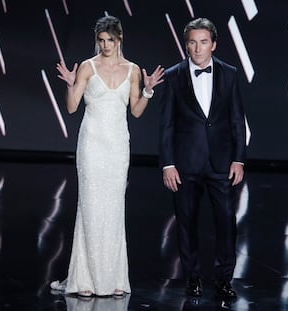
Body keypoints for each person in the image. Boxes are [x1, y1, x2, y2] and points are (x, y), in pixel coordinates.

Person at [50, 15, 164, 297]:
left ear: (119, 39)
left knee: (113, 209)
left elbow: (135, 111)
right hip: (91, 144)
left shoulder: (133, 70)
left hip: (117, 146)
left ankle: (113, 279)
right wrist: (69, 82)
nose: (105, 45)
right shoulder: (88, 67)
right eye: (100, 40)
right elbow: (72, 107)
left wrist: (148, 91)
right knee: (89, 206)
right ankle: (85, 280)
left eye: (109, 40)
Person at [159, 17, 246, 300]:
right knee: (187, 223)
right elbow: (167, 125)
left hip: (221, 162)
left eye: (204, 42)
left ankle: (223, 279)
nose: (198, 49)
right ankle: (192, 279)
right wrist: (168, 163)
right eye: (193, 43)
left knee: (225, 222)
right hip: (185, 164)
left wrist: (239, 159)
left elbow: (236, 119)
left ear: (214, 44)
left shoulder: (230, 73)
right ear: (186, 45)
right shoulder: (173, 75)